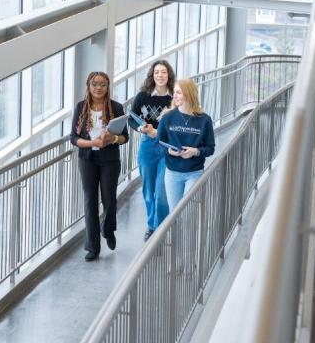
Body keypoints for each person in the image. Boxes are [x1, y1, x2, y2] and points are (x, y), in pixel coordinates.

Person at [70, 71, 129, 262]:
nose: (98, 88)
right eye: (94, 84)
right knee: (90, 202)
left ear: (107, 87)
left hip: (109, 159)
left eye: (102, 84)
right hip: (87, 159)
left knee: (109, 199)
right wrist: (92, 144)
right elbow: (73, 138)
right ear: (88, 86)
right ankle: (93, 247)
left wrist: (112, 138)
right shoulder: (81, 107)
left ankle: (108, 229)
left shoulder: (116, 107)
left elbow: (124, 137)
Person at [129, 60, 175, 241]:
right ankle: (151, 224)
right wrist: (141, 129)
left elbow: (179, 122)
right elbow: (131, 119)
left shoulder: (174, 98)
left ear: (169, 75)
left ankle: (159, 228)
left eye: (163, 72)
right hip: (147, 146)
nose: (160, 75)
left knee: (161, 190)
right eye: (157, 72)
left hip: (166, 146)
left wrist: (159, 132)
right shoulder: (142, 96)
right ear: (152, 75)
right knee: (148, 190)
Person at [157, 79, 216, 210]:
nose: (174, 96)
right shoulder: (167, 117)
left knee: (189, 212)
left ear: (188, 94)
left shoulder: (204, 120)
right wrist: (169, 151)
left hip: (194, 173)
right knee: (175, 214)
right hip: (172, 173)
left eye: (178, 92)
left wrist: (195, 151)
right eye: (174, 92)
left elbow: (210, 148)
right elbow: (158, 143)